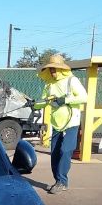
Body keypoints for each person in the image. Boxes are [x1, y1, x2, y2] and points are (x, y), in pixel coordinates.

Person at [29, 54, 87, 194]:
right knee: (54, 153)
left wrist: (65, 100)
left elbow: (84, 97)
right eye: (51, 69)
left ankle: (62, 181)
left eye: (55, 69)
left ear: (61, 69)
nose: (53, 71)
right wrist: (34, 104)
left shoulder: (72, 81)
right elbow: (45, 101)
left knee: (65, 150)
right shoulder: (49, 84)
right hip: (56, 124)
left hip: (71, 123)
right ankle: (58, 181)